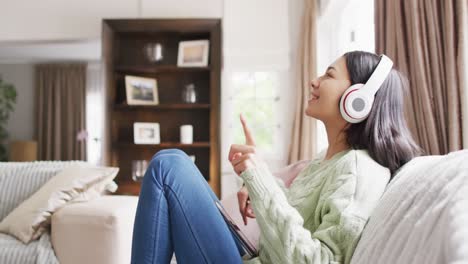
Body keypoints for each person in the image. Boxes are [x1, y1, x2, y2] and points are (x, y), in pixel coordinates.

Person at [130, 51, 422, 264]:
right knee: (170, 163)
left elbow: (319, 261)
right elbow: (294, 217)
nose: (314, 81)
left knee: (169, 165)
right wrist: (257, 184)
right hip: (255, 256)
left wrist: (261, 182)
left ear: (358, 100)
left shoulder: (359, 170)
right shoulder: (326, 160)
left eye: (329, 75)